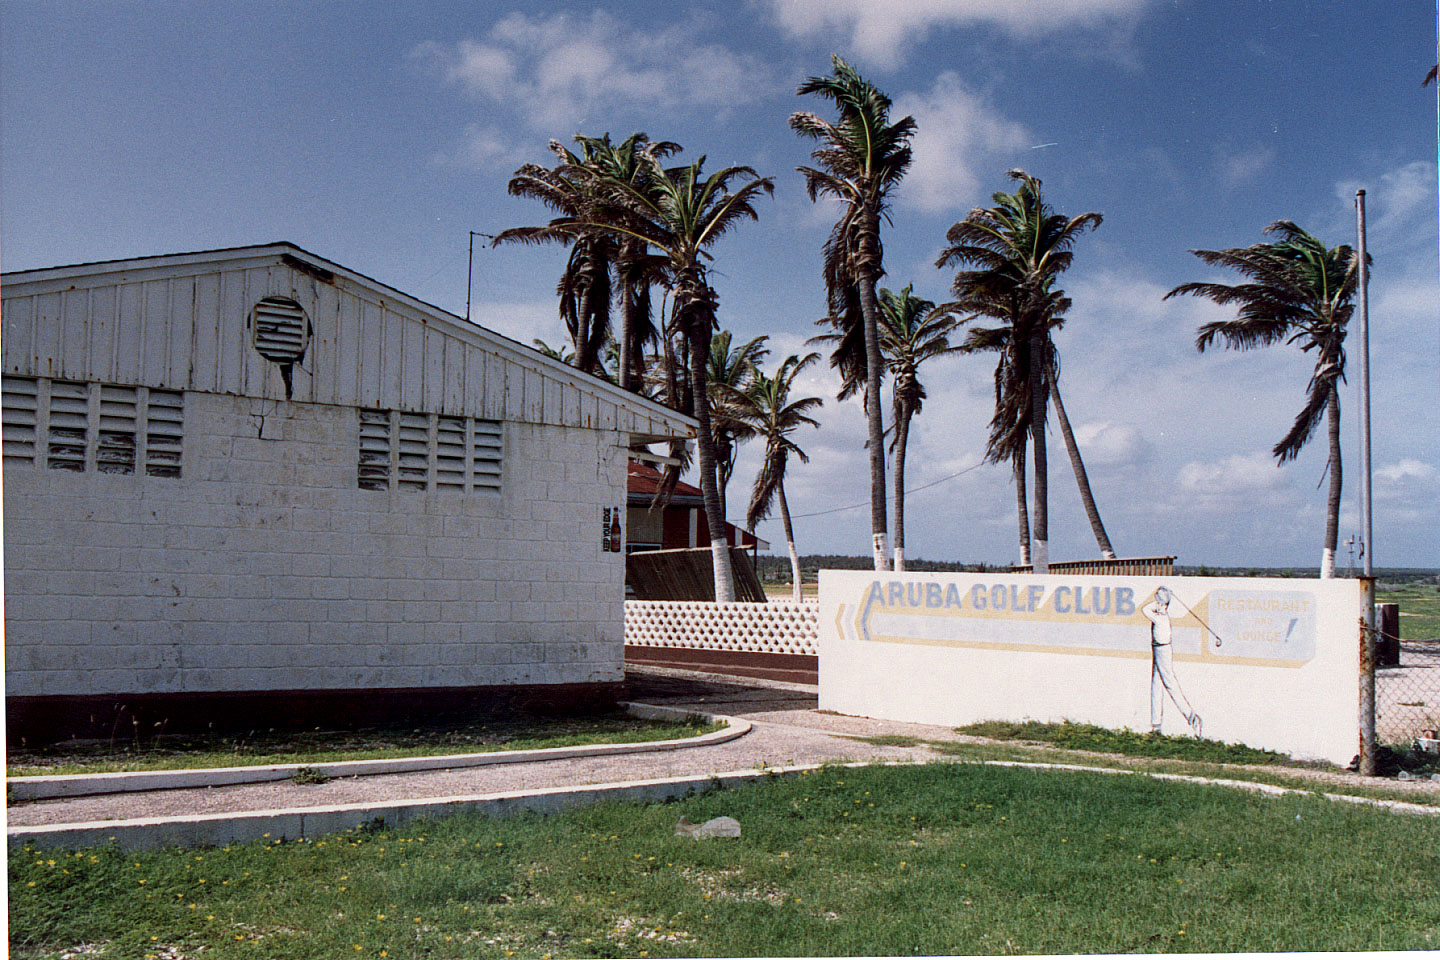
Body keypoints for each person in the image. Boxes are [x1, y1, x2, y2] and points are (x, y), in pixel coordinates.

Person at [1142, 586, 1202, 737]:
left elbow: (1145, 609)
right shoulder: (1160, 616)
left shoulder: (1160, 618)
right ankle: (1156, 725)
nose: (1158, 606)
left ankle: (1192, 718)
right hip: (1157, 649)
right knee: (1156, 685)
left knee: (1169, 684)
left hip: (1162, 650)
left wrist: (1159, 601)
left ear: (1165, 605)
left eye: (1160, 604)